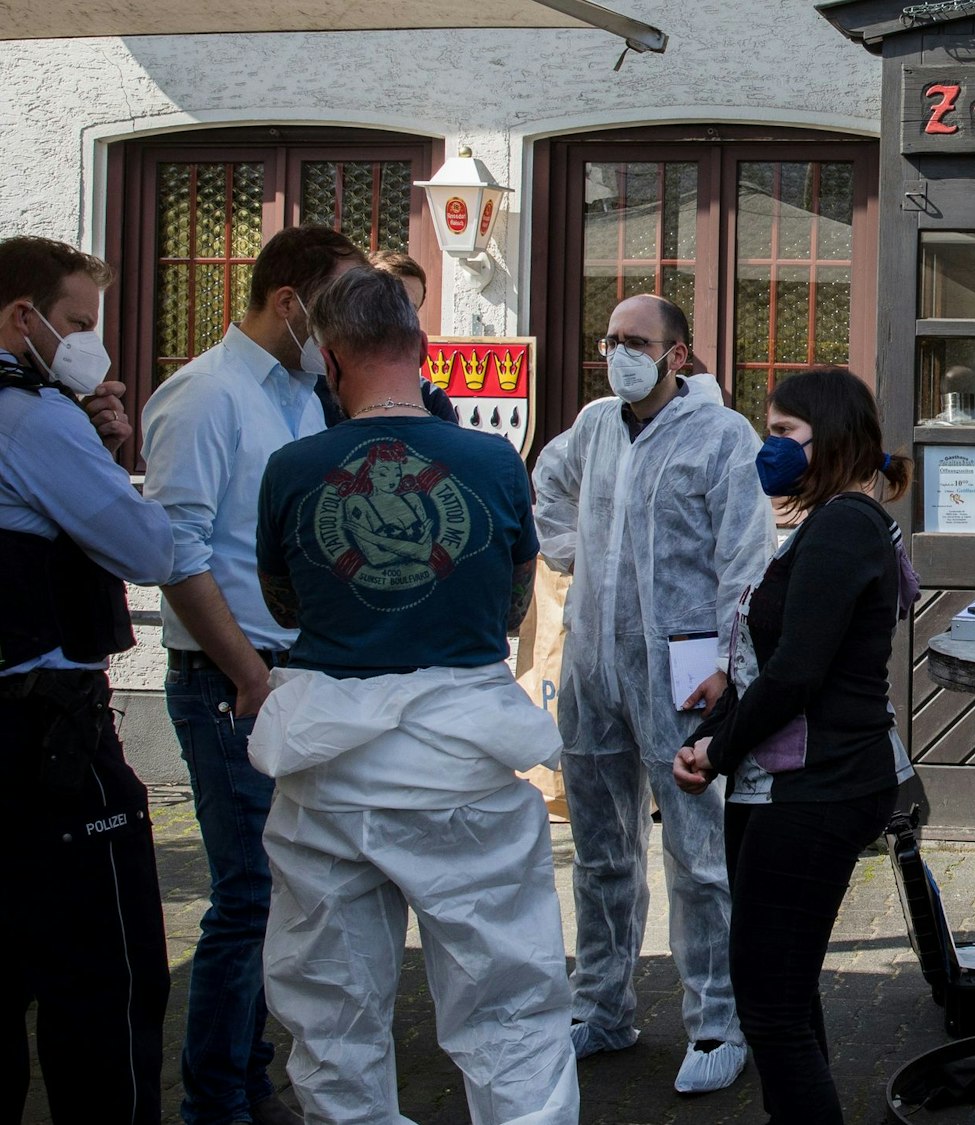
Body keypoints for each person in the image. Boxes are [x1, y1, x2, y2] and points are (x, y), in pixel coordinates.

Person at [245, 266, 574, 1122]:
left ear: (327, 354)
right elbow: (510, 601)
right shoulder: (493, 460)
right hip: (462, 765)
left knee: (332, 1018)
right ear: (421, 349)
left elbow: (284, 602)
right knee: (511, 1010)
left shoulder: (291, 468)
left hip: (328, 772)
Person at [141, 224, 363, 1125]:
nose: (349, 326)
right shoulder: (204, 396)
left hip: (287, 676)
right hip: (230, 682)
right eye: (339, 305)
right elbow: (177, 551)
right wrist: (248, 674)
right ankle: (216, 1100)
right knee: (246, 898)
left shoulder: (305, 398)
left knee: (285, 895)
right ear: (290, 303)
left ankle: (248, 1071)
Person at [532, 293, 771, 1089]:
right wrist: (569, 551)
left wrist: (735, 673)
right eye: (610, 338)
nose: (617, 351)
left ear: (677, 353)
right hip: (594, 670)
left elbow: (745, 559)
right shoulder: (597, 423)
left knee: (699, 855)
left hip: (684, 673)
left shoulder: (721, 436)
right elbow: (549, 484)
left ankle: (715, 1021)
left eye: (635, 340)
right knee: (599, 853)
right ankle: (602, 1008)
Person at [672, 365, 917, 1125]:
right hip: (786, 784)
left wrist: (715, 752)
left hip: (816, 789)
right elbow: (774, 664)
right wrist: (719, 728)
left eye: (784, 433)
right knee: (785, 988)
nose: (768, 446)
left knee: (770, 1010)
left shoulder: (844, 525)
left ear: (831, 439)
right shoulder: (828, 521)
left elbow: (799, 673)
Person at [0, 236, 174, 1124]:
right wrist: (107, 446)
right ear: (20, 316)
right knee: (108, 976)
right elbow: (143, 547)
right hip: (48, 740)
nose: (88, 344)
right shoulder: (32, 413)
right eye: (75, 322)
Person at [369, 250, 457, 423]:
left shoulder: (430, 400)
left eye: (409, 309)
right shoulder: (314, 390)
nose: (397, 316)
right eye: (388, 302)